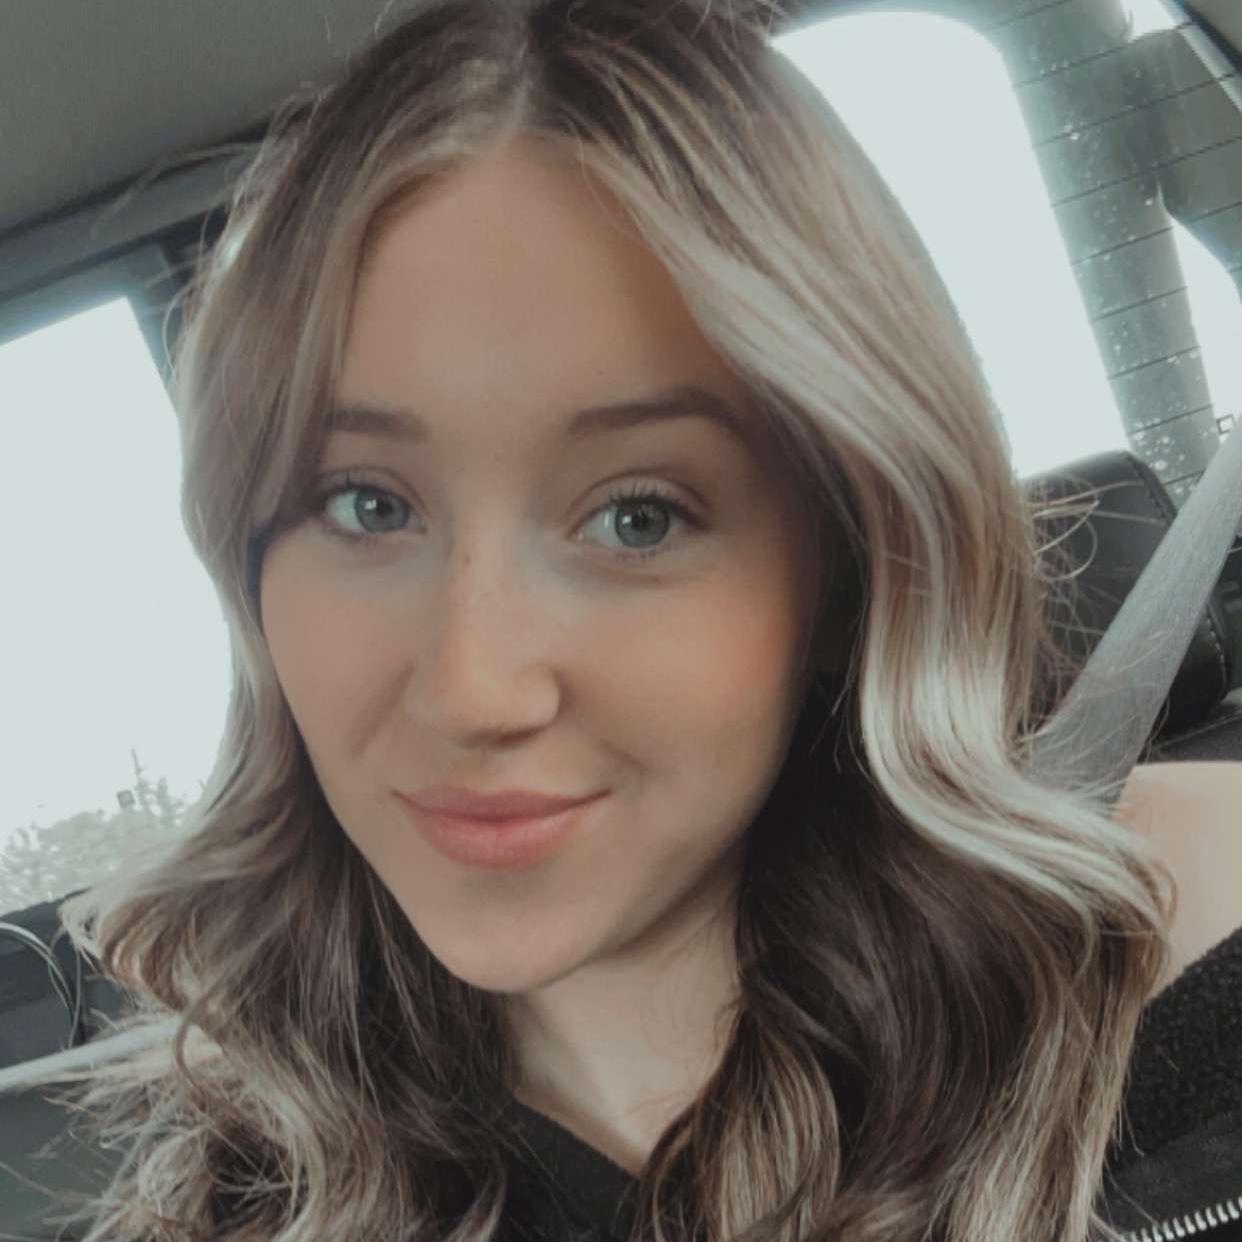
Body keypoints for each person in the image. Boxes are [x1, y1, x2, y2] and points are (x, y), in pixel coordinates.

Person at [39, 2, 1238, 1239]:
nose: (472, 689)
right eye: (366, 504)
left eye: (638, 518)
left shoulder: (1188, 944)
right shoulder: (233, 1207)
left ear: (848, 567)